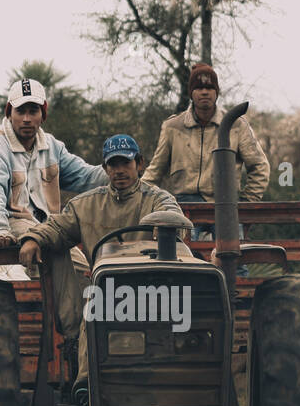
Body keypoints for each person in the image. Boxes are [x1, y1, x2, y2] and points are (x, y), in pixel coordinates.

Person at [19, 134, 184, 388]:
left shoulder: (155, 199)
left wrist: (164, 225)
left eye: (125, 163)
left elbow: (172, 215)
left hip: (150, 288)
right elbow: (58, 228)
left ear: (139, 164)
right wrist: (34, 239)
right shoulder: (87, 204)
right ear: (105, 168)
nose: (119, 171)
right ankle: (86, 384)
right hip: (105, 289)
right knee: (95, 303)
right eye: (113, 165)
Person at [0, 77, 106, 342]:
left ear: (44, 112)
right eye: (21, 111)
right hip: (8, 226)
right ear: (9, 112)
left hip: (46, 228)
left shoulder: (51, 146)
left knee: (88, 272)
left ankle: (91, 340)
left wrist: (116, 169)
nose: (27, 119)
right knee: (58, 250)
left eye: (33, 111)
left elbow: (85, 176)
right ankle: (72, 334)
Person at [141, 63, 270, 240]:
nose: (204, 92)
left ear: (216, 92)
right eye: (199, 87)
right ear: (191, 93)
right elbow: (155, 170)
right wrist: (137, 195)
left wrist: (246, 202)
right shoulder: (173, 126)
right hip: (184, 204)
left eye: (209, 88)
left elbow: (260, 166)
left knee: (235, 259)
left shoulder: (236, 125)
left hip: (225, 203)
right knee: (183, 257)